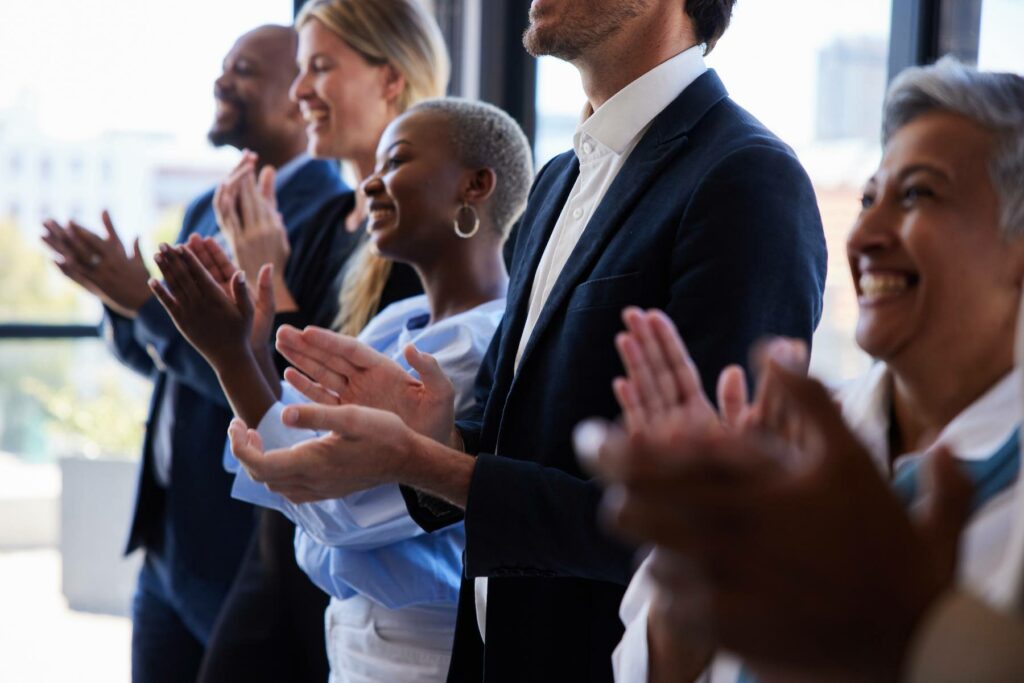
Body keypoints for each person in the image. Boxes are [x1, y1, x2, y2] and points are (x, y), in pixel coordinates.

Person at [230, 0, 827, 680]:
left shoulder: (746, 179)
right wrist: (435, 433)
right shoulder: (557, 182)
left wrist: (426, 462)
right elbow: (514, 432)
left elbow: (701, 523)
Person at [595, 58, 1024, 682]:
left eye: (918, 194)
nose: (865, 233)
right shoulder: (781, 444)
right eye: (870, 198)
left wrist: (916, 635)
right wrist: (689, 604)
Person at [150, 97, 534, 682]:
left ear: (476, 185)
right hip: (353, 637)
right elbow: (298, 448)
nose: (372, 183)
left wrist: (230, 358)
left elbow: (335, 506)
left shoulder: (476, 344)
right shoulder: (398, 321)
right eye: (374, 165)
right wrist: (248, 347)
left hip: (419, 653)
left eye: (398, 160)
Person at [39, 25, 346, 683]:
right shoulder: (207, 205)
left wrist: (145, 306)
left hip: (238, 549)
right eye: (222, 67)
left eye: (242, 70)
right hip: (166, 544)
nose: (219, 82)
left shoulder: (328, 213)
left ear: (298, 97)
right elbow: (164, 362)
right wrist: (119, 301)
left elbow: (280, 388)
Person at [192, 3, 449, 682]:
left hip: (353, 572)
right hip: (282, 545)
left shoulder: (420, 238)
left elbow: (339, 411)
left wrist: (268, 290)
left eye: (321, 67)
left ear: (390, 79)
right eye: (300, 70)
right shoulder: (333, 220)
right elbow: (267, 386)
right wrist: (244, 288)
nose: (301, 90)